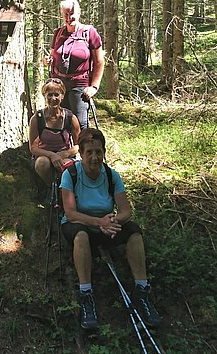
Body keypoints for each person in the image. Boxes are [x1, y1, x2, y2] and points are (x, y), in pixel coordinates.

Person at [60, 128, 162, 329]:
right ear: (81, 153)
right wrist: (100, 223)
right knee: (80, 235)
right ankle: (86, 293)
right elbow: (71, 214)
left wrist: (113, 221)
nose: (94, 157)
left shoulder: (111, 175)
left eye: (98, 152)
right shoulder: (70, 174)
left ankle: (142, 291)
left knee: (133, 231)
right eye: (89, 152)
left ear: (104, 152)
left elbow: (126, 211)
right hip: (80, 226)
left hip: (107, 227)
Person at [45, 0, 104, 129]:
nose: (69, 17)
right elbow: (53, 55)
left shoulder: (89, 32)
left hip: (80, 86)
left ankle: (82, 149)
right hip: (59, 86)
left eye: (71, 13)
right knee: (59, 122)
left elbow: (99, 61)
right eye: (65, 14)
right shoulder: (58, 33)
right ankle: (63, 149)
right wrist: (48, 60)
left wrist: (94, 87)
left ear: (78, 13)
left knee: (80, 124)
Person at [29, 78, 80, 188]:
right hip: (43, 156)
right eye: (49, 95)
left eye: (56, 95)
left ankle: (65, 192)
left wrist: (63, 154)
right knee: (42, 163)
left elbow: (79, 145)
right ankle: (50, 189)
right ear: (44, 96)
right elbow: (33, 148)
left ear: (62, 96)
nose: (53, 98)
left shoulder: (70, 118)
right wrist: (52, 155)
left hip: (64, 155)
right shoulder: (37, 119)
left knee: (72, 168)